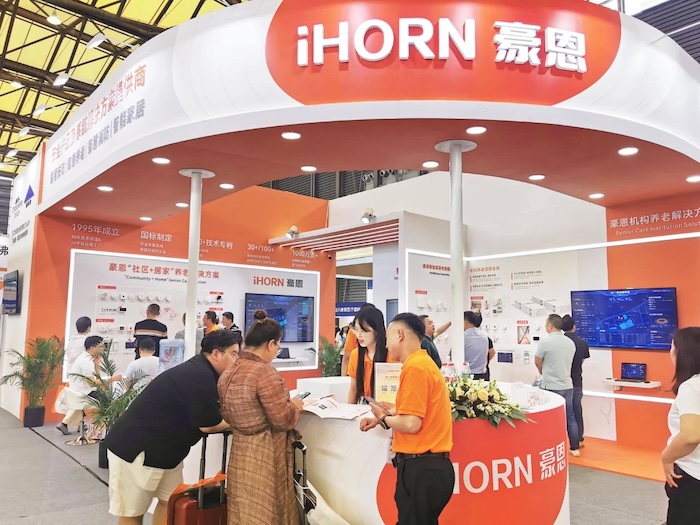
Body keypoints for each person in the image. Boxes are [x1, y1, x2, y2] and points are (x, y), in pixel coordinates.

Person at [105, 330, 235, 525]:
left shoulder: (204, 372)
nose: (237, 360)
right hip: (137, 448)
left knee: (170, 502)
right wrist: (241, 421)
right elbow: (209, 424)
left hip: (167, 451)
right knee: (133, 512)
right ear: (216, 353)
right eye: (234, 354)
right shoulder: (199, 375)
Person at [360, 313, 454, 525]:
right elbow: (417, 410)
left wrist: (384, 419)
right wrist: (387, 414)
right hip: (429, 469)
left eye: (388, 337)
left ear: (400, 335)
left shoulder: (415, 368)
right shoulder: (423, 363)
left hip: (421, 470)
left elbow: (412, 423)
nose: (386, 345)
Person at [217, 309, 303, 525]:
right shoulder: (264, 373)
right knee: (269, 509)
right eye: (278, 346)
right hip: (266, 451)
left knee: (243, 510)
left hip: (240, 451)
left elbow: (226, 412)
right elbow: (283, 419)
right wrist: (295, 406)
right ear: (271, 344)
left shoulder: (229, 371)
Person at [662, 327, 700, 524]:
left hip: (692, 476)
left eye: (672, 347)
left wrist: (666, 457)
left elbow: (691, 436)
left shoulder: (691, 387)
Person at [57, 336, 121, 435]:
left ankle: (67, 424)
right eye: (100, 347)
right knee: (110, 401)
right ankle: (112, 427)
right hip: (85, 392)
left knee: (102, 395)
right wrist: (111, 379)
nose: (103, 349)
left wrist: (97, 364)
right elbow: (92, 383)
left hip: (79, 390)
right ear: (92, 348)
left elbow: (96, 377)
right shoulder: (86, 362)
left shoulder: (86, 358)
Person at [535, 314, 580, 456]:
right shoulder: (570, 342)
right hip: (567, 385)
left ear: (550, 326)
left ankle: (549, 447)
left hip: (550, 386)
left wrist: (542, 371)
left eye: (546, 324)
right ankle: (574, 448)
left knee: (549, 419)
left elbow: (537, 361)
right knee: (570, 417)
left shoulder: (545, 342)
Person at [347, 306, 390, 404]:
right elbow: (353, 388)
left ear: (376, 331)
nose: (358, 335)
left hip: (386, 408)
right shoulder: (356, 355)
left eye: (363, 331)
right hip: (363, 406)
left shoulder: (391, 355)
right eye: (356, 329)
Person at [562, 314, 590, 449]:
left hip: (562, 381)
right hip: (577, 381)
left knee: (565, 413)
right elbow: (582, 361)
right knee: (577, 410)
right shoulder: (582, 342)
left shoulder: (560, 343)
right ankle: (579, 438)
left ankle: (565, 440)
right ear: (574, 326)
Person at [341, 303, 375, 376]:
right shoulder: (353, 333)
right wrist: (343, 377)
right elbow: (347, 356)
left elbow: (347, 356)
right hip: (357, 372)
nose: (359, 335)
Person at [463, 311, 489, 380]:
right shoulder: (484, 336)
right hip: (483, 376)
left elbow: (452, 358)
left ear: (465, 323)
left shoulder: (462, 337)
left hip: (467, 377)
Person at [472, 314, 495, 380]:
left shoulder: (464, 338)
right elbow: (492, 352)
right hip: (483, 373)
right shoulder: (485, 338)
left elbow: (492, 352)